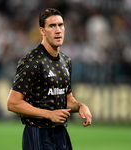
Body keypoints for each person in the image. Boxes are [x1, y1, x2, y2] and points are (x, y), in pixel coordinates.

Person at [7, 8, 92, 150]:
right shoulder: (32, 61)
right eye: (52, 26)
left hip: (61, 133)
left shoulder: (66, 61)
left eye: (61, 25)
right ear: (42, 31)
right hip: (37, 134)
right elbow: (13, 103)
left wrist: (80, 106)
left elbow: (67, 98)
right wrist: (48, 114)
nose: (58, 30)